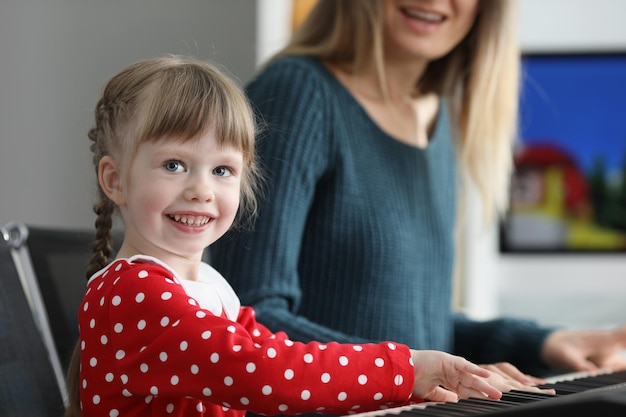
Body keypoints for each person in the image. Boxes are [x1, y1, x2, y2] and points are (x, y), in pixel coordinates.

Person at [61, 55, 549, 417]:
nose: (201, 190)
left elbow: (285, 354)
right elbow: (270, 375)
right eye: (173, 165)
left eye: (223, 170)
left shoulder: (208, 288)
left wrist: (410, 386)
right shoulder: (131, 292)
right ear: (115, 180)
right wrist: (405, 370)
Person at [210, 0, 626, 392]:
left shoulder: (435, 115)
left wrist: (542, 342)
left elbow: (412, 330)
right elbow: (249, 319)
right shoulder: (297, 93)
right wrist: (406, 372)